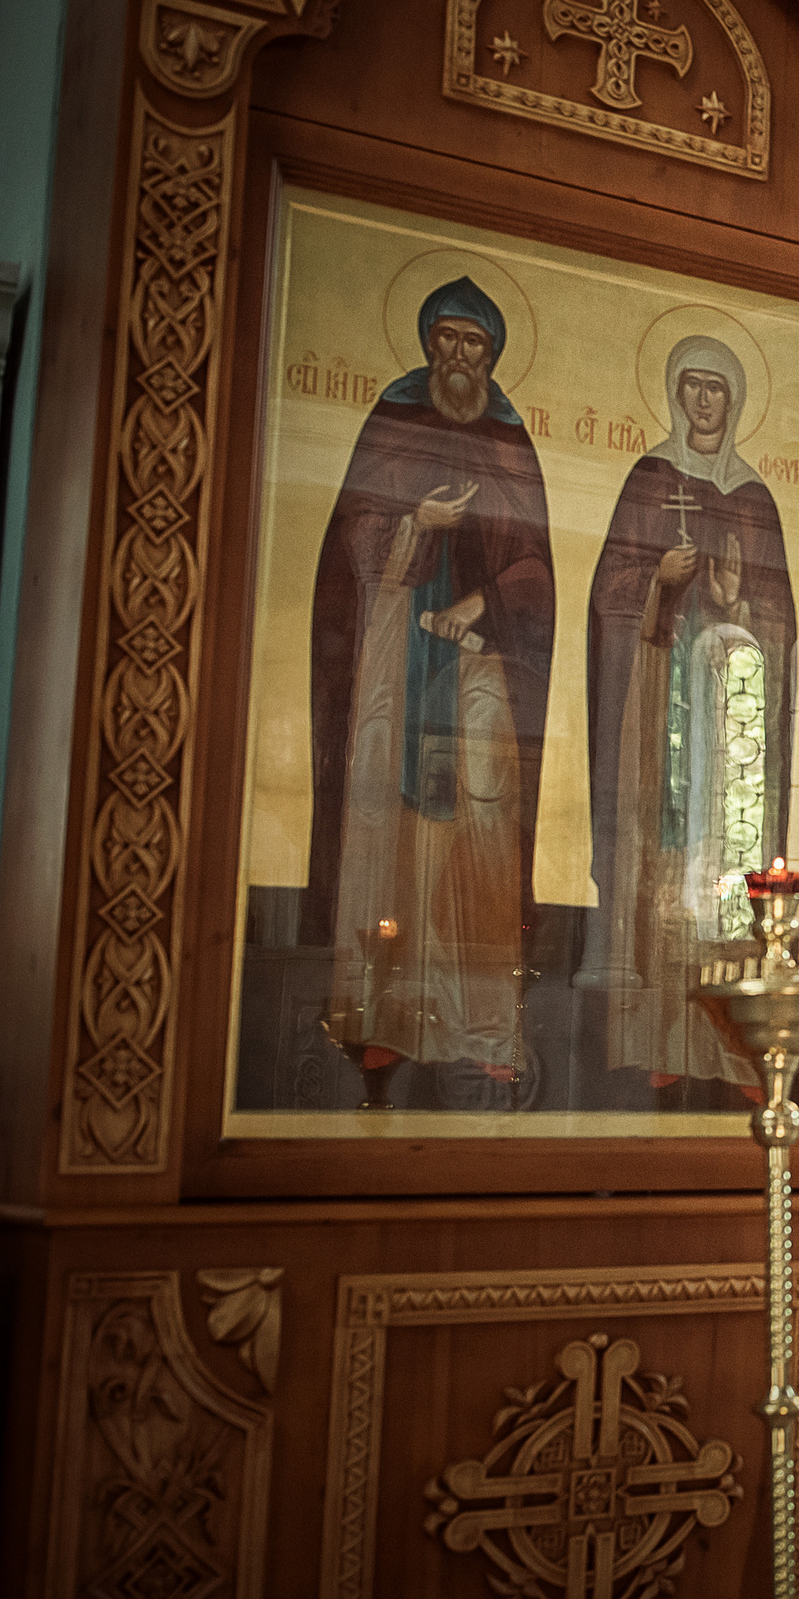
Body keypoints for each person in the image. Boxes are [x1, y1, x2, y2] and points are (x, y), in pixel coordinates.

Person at [308, 276, 556, 1095]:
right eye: (447, 337)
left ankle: (481, 1020)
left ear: (492, 355)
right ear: (427, 343)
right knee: (384, 811)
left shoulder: (509, 441)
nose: (459, 355)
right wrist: (418, 524)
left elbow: (536, 568)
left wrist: (479, 602)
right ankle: (380, 1016)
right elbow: (353, 537)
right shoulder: (395, 419)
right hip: (393, 651)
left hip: (480, 662)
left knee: (484, 818)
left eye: (473, 343)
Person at [581, 335, 798, 1102]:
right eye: (693, 387)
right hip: (660, 706)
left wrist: (739, 605)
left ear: (733, 401)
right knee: (661, 853)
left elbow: (778, 627)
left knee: (721, 858)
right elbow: (608, 595)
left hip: (725, 727)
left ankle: (720, 1043)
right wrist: (658, 580)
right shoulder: (649, 478)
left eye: (717, 388)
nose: (704, 400)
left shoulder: (755, 498)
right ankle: (655, 1040)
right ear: (677, 395)